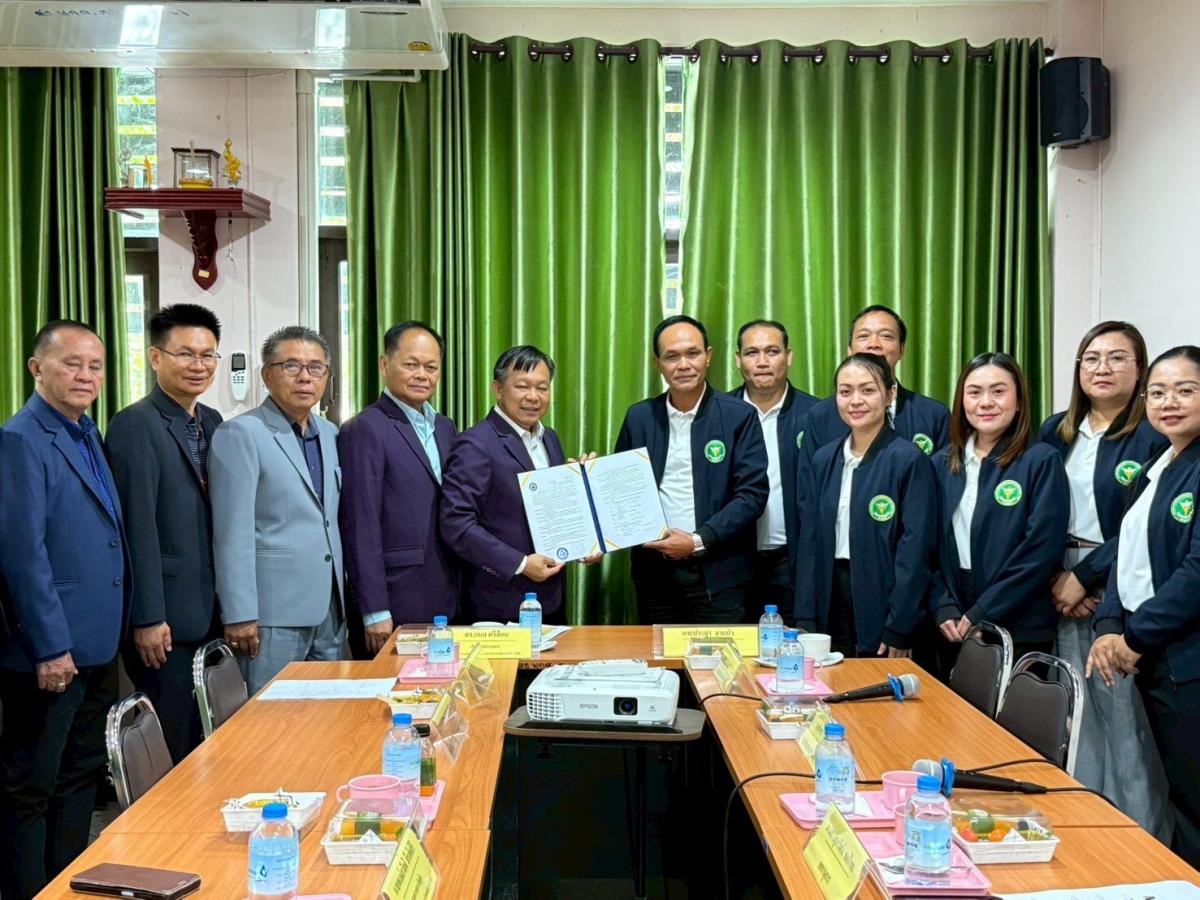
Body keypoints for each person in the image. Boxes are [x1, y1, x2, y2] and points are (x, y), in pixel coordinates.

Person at [0, 321, 129, 900]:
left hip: (97, 642)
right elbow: (21, 554)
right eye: (71, 363)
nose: (85, 375)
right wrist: (50, 646)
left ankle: (67, 885)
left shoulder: (85, 431)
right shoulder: (21, 439)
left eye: (95, 366)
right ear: (36, 368)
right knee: (31, 787)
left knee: (79, 776)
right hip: (51, 652)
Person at [1039, 322, 1170, 838]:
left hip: (1119, 583)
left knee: (1124, 721)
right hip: (1057, 582)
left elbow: (1144, 522)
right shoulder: (1056, 430)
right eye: (1091, 358)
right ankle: (1087, 831)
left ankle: (1141, 841)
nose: (1102, 368)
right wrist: (1057, 576)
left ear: (1140, 370)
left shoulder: (1154, 434)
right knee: (1075, 715)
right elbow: (1037, 513)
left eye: (1117, 358)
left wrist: (1087, 577)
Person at [1090, 345, 1200, 867]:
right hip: (1154, 648)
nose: (1168, 402)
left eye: (1185, 391)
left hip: (1185, 656)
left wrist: (1135, 636)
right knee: (1177, 791)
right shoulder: (1160, 464)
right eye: (1158, 393)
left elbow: (1196, 573)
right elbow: (1127, 554)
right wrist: (1110, 623)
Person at [106, 304, 225, 763]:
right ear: (155, 358)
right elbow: (137, 526)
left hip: (208, 609)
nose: (199, 365)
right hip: (165, 621)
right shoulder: (135, 424)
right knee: (175, 748)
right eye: (186, 354)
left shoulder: (211, 421)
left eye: (208, 355)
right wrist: (148, 617)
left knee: (208, 741)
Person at [208, 326, 345, 695]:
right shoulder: (241, 433)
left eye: (316, 367)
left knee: (327, 715)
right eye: (291, 366)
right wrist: (239, 613)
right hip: (271, 616)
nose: (305, 377)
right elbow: (231, 531)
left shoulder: (331, 434)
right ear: (267, 375)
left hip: (329, 611)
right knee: (271, 718)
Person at [615, 315, 768, 624]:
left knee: (719, 656)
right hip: (654, 576)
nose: (683, 365)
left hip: (720, 575)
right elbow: (619, 490)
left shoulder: (739, 416)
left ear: (708, 356)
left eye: (692, 353)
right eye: (672, 356)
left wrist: (698, 540)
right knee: (659, 656)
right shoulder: (639, 417)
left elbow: (752, 495)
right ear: (657, 363)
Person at [793, 353, 936, 659]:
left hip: (883, 599)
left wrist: (901, 624)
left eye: (868, 390)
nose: (855, 401)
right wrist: (805, 615)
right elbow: (810, 541)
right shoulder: (824, 459)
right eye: (845, 392)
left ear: (890, 393)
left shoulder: (909, 459)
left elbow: (915, 550)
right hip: (830, 595)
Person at [931, 352, 1068, 666]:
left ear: (1018, 401)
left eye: (998, 391)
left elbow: (1041, 550)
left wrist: (984, 611)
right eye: (974, 392)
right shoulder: (941, 463)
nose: (986, 402)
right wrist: (942, 605)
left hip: (1019, 621)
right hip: (952, 621)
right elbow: (926, 547)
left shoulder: (1041, 460)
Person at [339, 321, 458, 654]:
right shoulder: (365, 428)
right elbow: (360, 524)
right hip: (395, 598)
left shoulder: (445, 427)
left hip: (446, 592)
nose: (422, 375)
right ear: (384, 364)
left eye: (431, 367)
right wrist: (374, 609)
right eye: (411, 364)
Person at [439, 346, 570, 622]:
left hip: (551, 598)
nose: (533, 397)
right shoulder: (475, 443)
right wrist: (520, 564)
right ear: (498, 389)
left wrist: (585, 544)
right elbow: (456, 524)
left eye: (542, 388)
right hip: (500, 603)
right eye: (522, 386)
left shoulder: (550, 438)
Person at [730, 319, 818, 606]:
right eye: (752, 353)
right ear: (738, 360)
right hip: (730, 562)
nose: (762, 362)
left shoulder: (818, 415)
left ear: (789, 356)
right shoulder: (719, 414)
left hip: (793, 562)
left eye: (772, 351)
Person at [800, 305, 949, 460]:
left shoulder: (934, 415)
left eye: (886, 336)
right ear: (849, 350)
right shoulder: (820, 415)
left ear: (902, 349)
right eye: (864, 336)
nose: (874, 344)